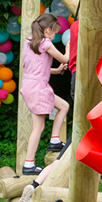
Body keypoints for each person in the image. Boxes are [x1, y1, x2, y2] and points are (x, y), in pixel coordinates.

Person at [20, 13, 70, 175]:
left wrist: (56, 70)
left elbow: (33, 68)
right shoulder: (45, 42)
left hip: (29, 86)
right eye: (55, 33)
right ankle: (30, 163)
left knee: (63, 106)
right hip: (38, 88)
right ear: (48, 30)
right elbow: (64, 58)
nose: (55, 36)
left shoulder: (29, 42)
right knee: (39, 126)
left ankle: (53, 142)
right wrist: (69, 46)